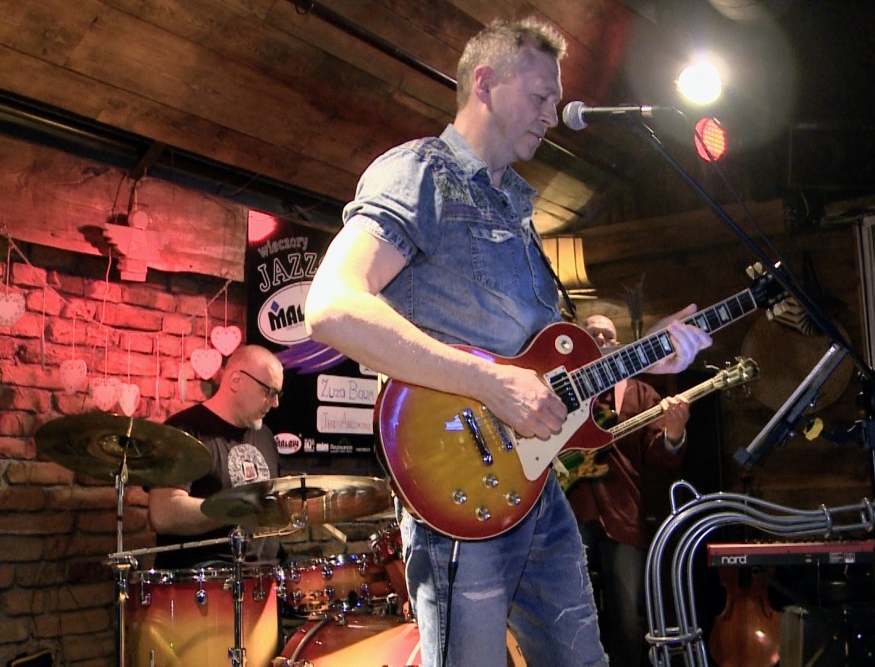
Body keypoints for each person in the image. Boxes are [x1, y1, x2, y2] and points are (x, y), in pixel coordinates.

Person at [303, 16, 712, 667]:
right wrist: (491, 383)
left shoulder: (520, 211)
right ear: (485, 83)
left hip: (535, 490)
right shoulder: (422, 172)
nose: (553, 114)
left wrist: (643, 353)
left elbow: (542, 371)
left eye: (555, 99)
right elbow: (331, 307)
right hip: (458, 494)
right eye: (541, 95)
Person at [568, 314, 691, 667]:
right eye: (593, 334)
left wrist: (674, 434)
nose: (601, 341)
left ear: (618, 344)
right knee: (572, 611)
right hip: (571, 512)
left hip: (623, 513)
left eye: (608, 336)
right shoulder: (564, 390)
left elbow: (658, 458)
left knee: (627, 615)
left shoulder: (641, 393)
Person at [148, 344, 285, 569]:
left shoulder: (266, 436)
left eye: (278, 394)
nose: (275, 403)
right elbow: (164, 514)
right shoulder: (184, 431)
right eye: (269, 392)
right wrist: (239, 510)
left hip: (266, 578)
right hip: (207, 580)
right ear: (236, 381)